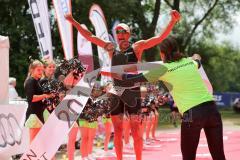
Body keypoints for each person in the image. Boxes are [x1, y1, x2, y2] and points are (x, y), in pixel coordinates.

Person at [65, 10, 180, 160]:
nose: (120, 34)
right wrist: (73, 21)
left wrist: (172, 21)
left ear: (129, 34)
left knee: (136, 129)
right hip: (116, 91)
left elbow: (159, 38)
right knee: (117, 130)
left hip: (132, 91)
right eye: (117, 31)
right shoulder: (111, 48)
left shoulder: (137, 47)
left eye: (123, 31)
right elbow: (90, 37)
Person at [111, 36, 226, 160]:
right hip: (212, 110)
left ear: (162, 54)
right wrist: (195, 56)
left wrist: (114, 73)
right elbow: (198, 60)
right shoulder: (190, 63)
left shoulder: (163, 69)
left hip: (192, 114)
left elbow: (134, 79)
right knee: (219, 156)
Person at [24, 60, 54, 143]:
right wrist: (45, 95)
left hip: (38, 114)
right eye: (38, 70)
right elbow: (31, 98)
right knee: (33, 142)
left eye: (41, 70)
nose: (41, 72)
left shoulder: (36, 81)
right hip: (33, 115)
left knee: (38, 141)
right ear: (32, 70)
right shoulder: (30, 81)